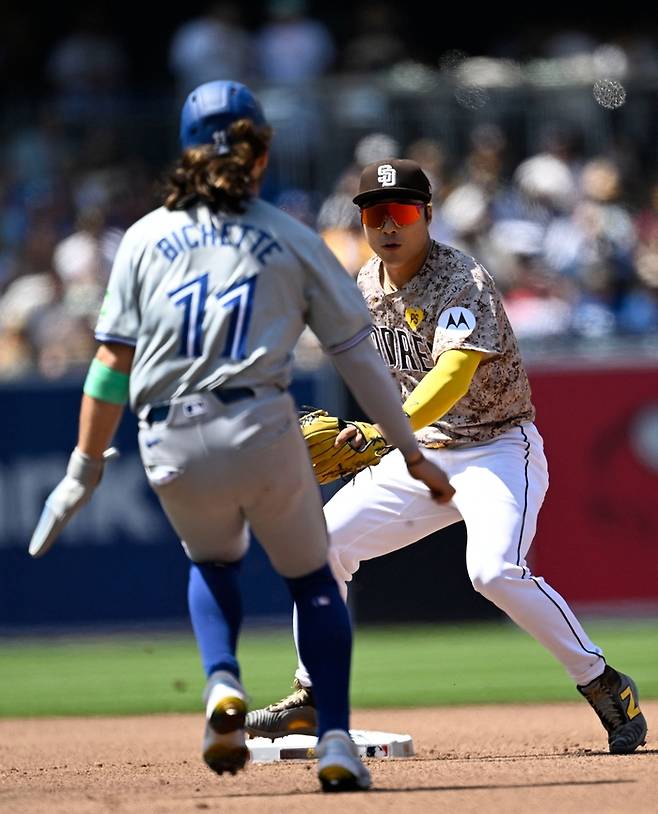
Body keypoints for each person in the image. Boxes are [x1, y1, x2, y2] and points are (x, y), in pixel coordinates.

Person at [28, 86, 455, 792]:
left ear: (188, 148)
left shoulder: (142, 237)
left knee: (213, 562)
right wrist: (410, 450)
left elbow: (110, 365)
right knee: (315, 580)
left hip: (169, 432)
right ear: (260, 152)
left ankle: (222, 681)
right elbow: (355, 352)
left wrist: (82, 466)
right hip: (260, 422)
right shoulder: (287, 233)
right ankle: (337, 738)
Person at [245, 158, 648, 757]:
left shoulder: (461, 278)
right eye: (375, 214)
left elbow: (454, 373)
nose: (388, 225)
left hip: (496, 448)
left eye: (402, 212)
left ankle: (605, 683)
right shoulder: (366, 285)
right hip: (423, 452)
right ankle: (315, 695)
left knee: (493, 572)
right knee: (318, 545)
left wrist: (385, 430)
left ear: (427, 216)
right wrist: (366, 435)